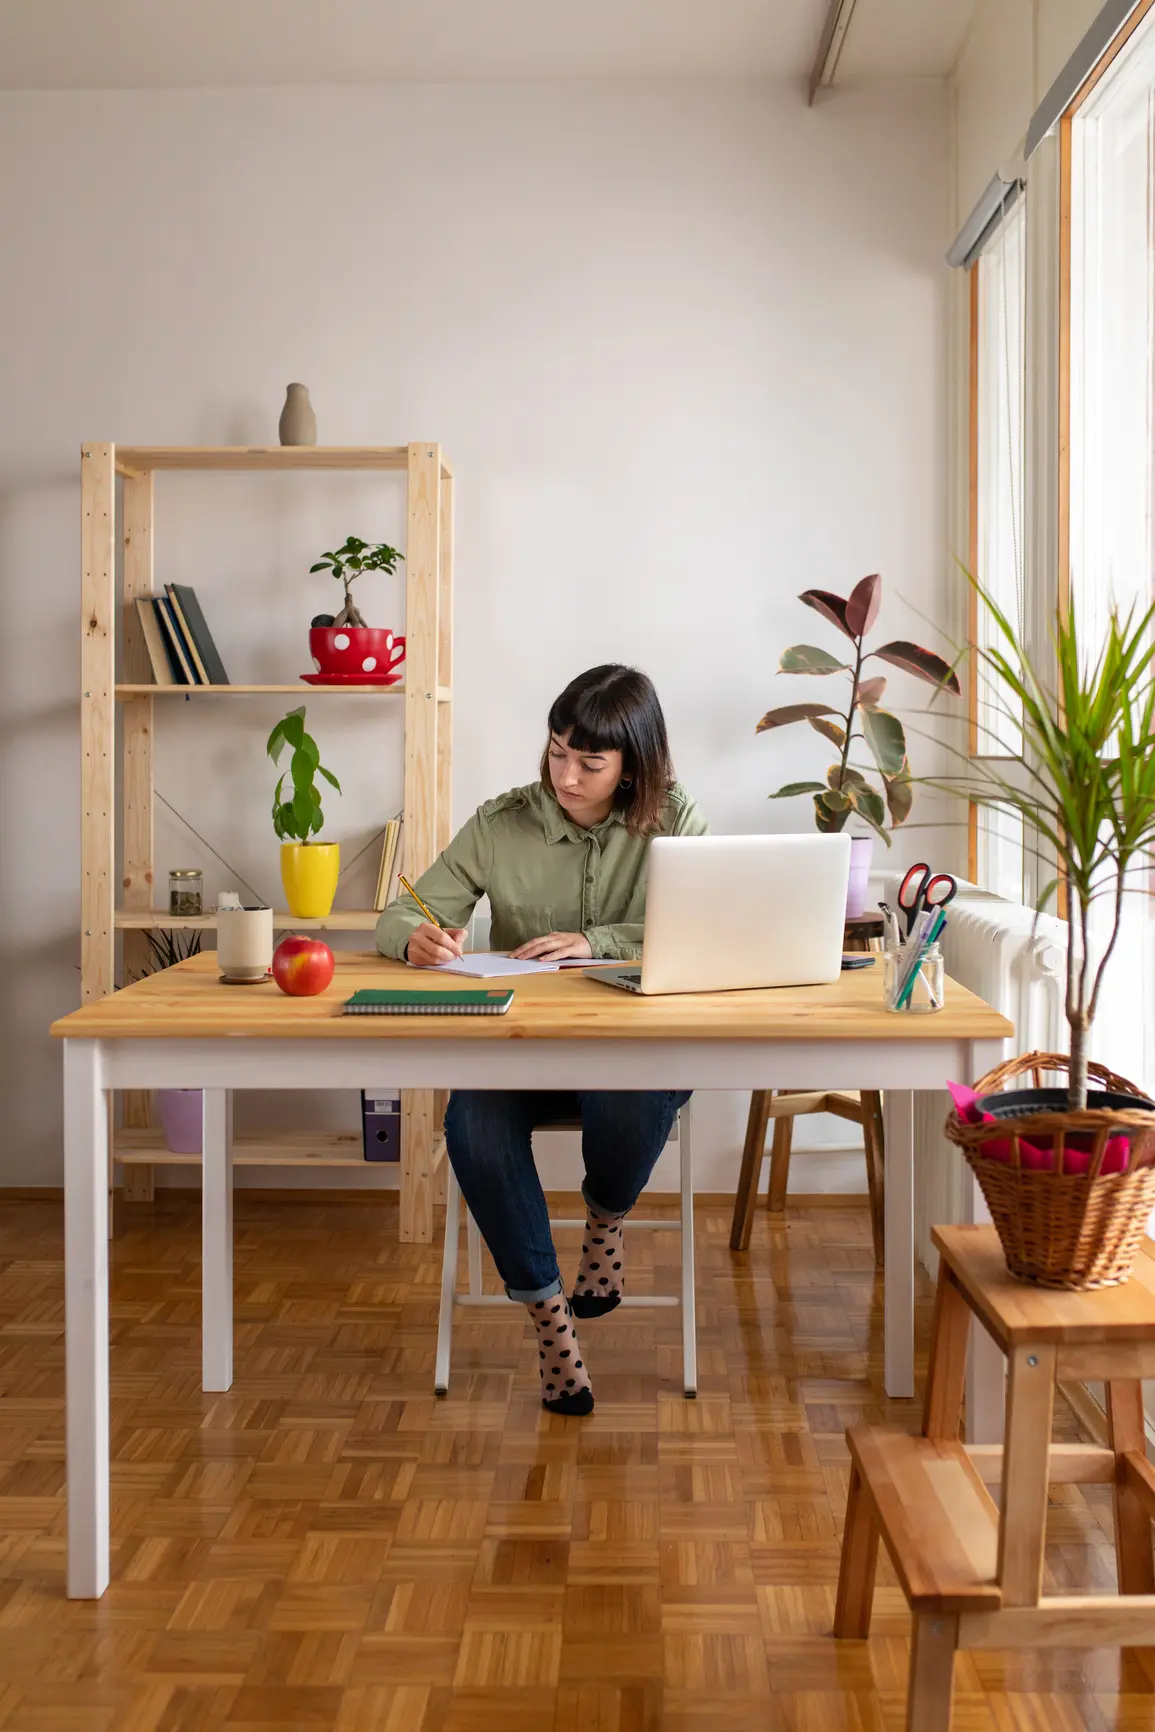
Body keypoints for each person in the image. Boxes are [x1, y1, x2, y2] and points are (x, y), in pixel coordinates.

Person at [376, 663, 707, 1414]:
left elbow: (699, 927)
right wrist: (415, 940)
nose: (566, 774)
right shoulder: (500, 824)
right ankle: (550, 1323)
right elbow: (402, 911)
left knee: (628, 1096)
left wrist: (594, 942)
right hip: (518, 1048)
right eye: (557, 751)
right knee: (473, 1128)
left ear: (633, 767)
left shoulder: (678, 819)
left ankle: (604, 1219)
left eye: (590, 763)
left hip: (633, 1049)